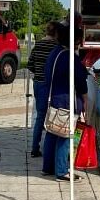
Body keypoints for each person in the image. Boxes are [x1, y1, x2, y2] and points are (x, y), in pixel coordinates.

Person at [42, 22, 88, 182]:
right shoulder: (70, 57)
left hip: (53, 98)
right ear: (74, 40)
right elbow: (81, 80)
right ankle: (62, 171)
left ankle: (47, 167)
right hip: (67, 101)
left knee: (52, 132)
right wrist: (85, 98)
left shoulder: (55, 53)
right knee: (65, 134)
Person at [28, 21, 59, 158]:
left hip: (38, 83)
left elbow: (30, 65)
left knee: (40, 116)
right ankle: (50, 148)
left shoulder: (38, 44)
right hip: (52, 85)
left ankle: (35, 147)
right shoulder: (56, 46)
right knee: (54, 116)